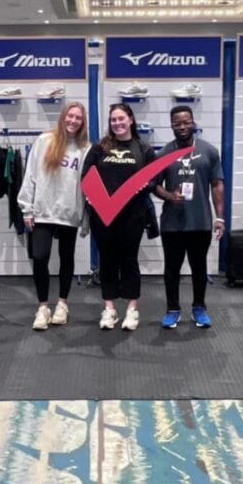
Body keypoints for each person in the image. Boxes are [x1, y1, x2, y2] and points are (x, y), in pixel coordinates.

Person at [82, 102, 156, 331]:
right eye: (113, 119)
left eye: (121, 118)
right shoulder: (99, 148)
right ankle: (110, 309)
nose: (117, 123)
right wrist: (92, 195)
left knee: (129, 260)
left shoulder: (143, 148)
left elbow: (154, 179)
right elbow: (86, 175)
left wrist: (146, 184)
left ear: (131, 120)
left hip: (132, 215)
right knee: (107, 261)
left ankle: (132, 309)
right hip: (103, 214)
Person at [18, 102, 90, 330]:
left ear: (83, 122)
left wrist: (86, 219)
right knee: (39, 257)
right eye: (70, 116)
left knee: (67, 258)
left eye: (78, 118)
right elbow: (30, 174)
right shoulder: (44, 141)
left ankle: (62, 304)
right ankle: (42, 306)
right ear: (63, 117)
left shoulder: (85, 149)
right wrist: (26, 208)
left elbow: (88, 187)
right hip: (43, 210)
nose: (73, 121)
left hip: (69, 212)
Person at [153, 105, 225, 329]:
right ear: (171, 125)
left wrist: (220, 218)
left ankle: (199, 308)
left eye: (186, 122)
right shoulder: (164, 153)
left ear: (193, 123)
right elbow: (154, 185)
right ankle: (173, 310)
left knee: (199, 268)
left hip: (200, 222)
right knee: (172, 269)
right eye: (177, 123)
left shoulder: (210, 151)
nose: (182, 127)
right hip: (172, 224)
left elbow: (217, 185)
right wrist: (168, 196)